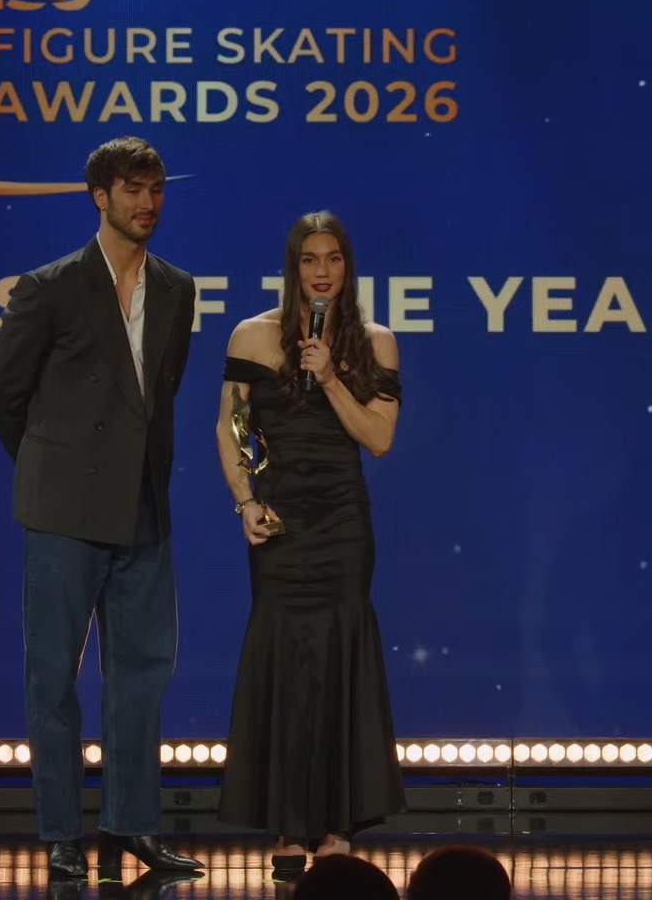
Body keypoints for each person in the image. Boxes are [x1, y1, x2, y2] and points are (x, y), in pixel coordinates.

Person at [0, 135, 203, 882]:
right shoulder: (50, 287)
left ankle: (131, 827)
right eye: (132, 189)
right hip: (64, 513)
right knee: (53, 679)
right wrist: (55, 468)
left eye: (156, 188)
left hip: (143, 510)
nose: (147, 202)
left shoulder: (176, 288)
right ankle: (60, 834)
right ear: (99, 197)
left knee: (143, 675)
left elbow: (157, 397)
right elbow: (1, 394)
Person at [214, 210, 407, 871]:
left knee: (338, 660)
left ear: (347, 267)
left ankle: (337, 824)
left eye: (333, 258)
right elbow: (232, 427)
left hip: (341, 524)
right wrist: (245, 501)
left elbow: (378, 438)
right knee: (286, 661)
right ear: (292, 268)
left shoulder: (376, 343)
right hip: (279, 519)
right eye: (309, 259)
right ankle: (288, 826)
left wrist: (328, 378)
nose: (322, 272)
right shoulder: (252, 334)